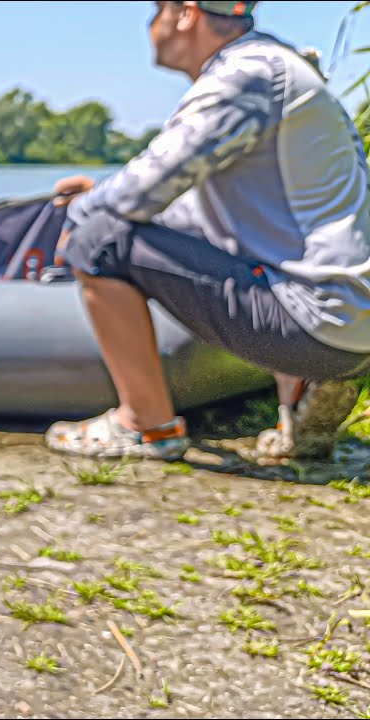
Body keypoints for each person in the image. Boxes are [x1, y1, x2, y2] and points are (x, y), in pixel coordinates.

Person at [46, 0, 370, 462]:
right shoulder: (282, 68)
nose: (150, 24)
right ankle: (301, 389)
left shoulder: (246, 75)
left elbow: (135, 197)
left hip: (311, 325)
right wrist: (102, 194)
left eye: (155, 10)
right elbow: (190, 214)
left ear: (186, 13)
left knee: (98, 238)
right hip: (349, 323)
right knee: (112, 222)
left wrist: (84, 213)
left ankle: (145, 425)